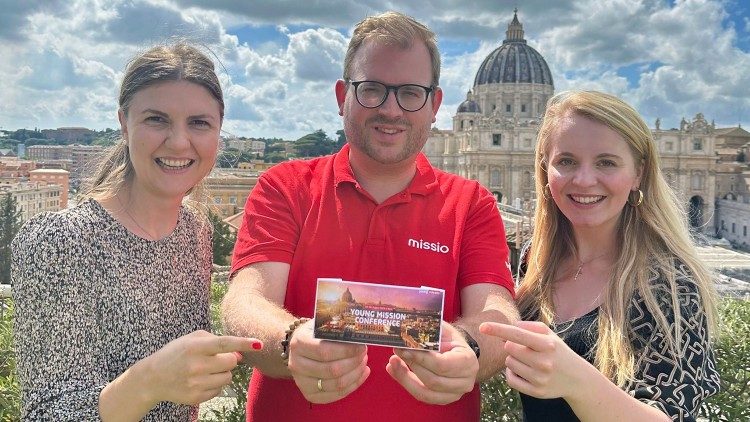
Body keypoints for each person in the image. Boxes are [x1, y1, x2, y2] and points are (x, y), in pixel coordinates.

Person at [221, 11, 519, 422]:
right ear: (343, 95)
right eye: (372, 89)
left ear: (434, 104)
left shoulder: (473, 203)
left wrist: (470, 347)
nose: (391, 110)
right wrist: (290, 341)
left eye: (410, 93)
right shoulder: (284, 186)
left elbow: (498, 313)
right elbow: (245, 301)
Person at [11, 42, 263, 421]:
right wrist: (149, 380)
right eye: (156, 119)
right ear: (123, 123)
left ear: (219, 132)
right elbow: (45, 413)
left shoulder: (194, 230)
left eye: (199, 123)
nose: (179, 142)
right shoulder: (59, 242)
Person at [480, 90, 720, 421]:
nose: (584, 180)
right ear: (544, 171)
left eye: (606, 162)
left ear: (638, 173)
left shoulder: (670, 284)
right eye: (566, 161)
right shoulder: (535, 263)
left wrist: (575, 381)